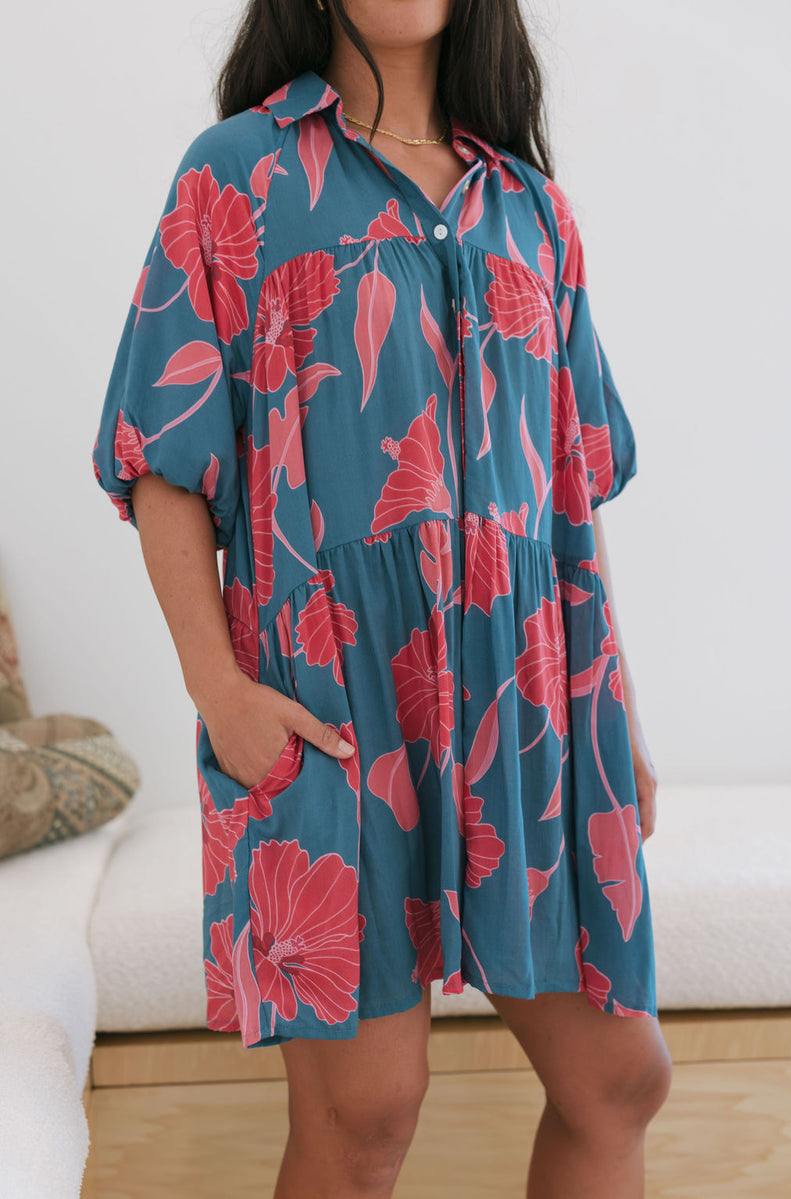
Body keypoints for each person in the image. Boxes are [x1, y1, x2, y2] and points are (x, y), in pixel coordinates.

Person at [91, 1, 673, 1194]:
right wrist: (224, 695)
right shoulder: (241, 175)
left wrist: (617, 721)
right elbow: (163, 458)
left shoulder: (527, 208)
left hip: (528, 713)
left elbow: (569, 491)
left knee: (618, 1078)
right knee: (366, 1115)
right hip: (329, 705)